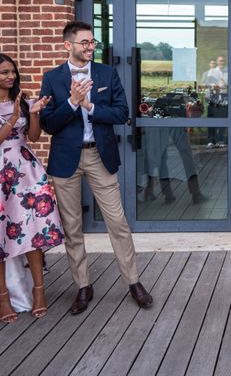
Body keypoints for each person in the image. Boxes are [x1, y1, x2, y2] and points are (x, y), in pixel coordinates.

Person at [39, 21, 152, 315]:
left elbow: (122, 113)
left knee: (117, 221)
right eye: (84, 43)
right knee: (73, 227)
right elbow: (49, 123)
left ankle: (133, 281)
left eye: (93, 43)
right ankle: (83, 285)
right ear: (68, 45)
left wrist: (89, 105)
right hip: (65, 160)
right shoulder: (52, 78)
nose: (90, 47)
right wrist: (72, 103)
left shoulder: (106, 73)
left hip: (99, 157)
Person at [0, 53, 64, 323]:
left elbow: (34, 137)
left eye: (12, 71)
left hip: (26, 172)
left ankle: (39, 292)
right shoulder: (14, 107)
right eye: (4, 72)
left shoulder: (24, 101)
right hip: (1, 171)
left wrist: (33, 113)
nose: (10, 77)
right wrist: (13, 118)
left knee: (33, 231)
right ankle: (3, 299)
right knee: (1, 235)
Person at [201, 57, 228, 148]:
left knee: (222, 121)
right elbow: (205, 84)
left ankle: (220, 140)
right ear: (217, 62)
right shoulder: (211, 72)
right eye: (220, 60)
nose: (221, 62)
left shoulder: (227, 72)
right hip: (213, 99)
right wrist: (213, 86)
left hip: (223, 99)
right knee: (211, 121)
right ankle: (211, 141)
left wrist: (224, 84)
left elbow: (228, 85)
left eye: (223, 61)